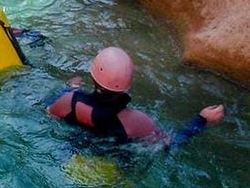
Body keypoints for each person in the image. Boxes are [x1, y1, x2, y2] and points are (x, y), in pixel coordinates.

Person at [47, 46, 225, 149]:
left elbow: (48, 112)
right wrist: (201, 120)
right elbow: (171, 145)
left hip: (73, 164)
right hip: (111, 175)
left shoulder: (69, 101)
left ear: (93, 77)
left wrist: (68, 89)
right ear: (128, 85)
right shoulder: (136, 122)